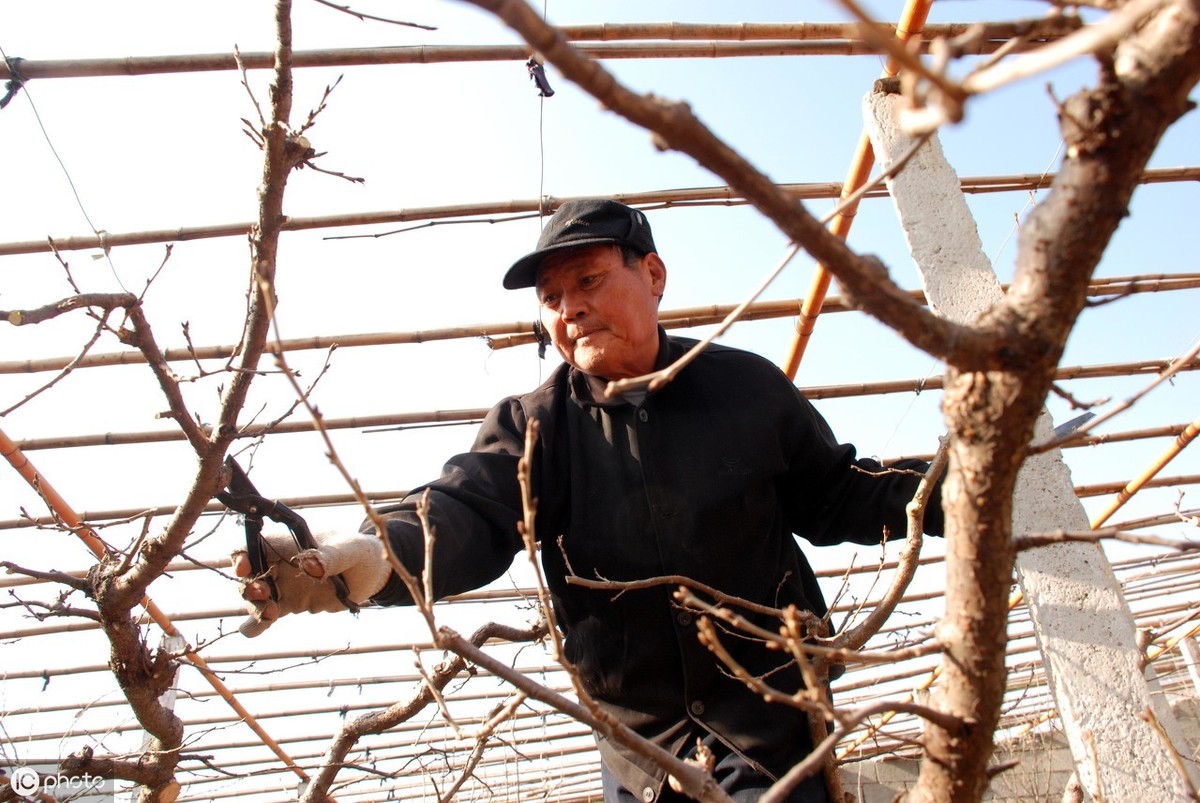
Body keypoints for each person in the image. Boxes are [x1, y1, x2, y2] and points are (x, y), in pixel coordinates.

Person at [235, 198, 944, 803]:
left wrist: (957, 489)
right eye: (551, 298)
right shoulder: (535, 427)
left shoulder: (748, 390)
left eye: (589, 280)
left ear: (654, 275)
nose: (570, 307)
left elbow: (837, 495)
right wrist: (371, 554)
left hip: (773, 727)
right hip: (641, 758)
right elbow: (467, 507)